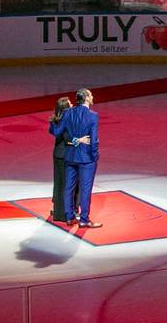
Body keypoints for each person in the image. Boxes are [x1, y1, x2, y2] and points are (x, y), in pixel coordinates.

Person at [50, 88, 102, 228]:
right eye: (90, 94)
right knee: (85, 189)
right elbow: (94, 140)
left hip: (70, 156)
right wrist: (94, 156)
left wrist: (54, 119)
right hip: (86, 158)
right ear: (85, 97)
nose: (92, 96)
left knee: (69, 187)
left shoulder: (67, 113)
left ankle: (69, 217)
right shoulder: (93, 116)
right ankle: (84, 219)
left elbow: (56, 132)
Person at [48, 96, 89, 223]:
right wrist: (82, 140)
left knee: (59, 183)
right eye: (70, 104)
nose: (72, 105)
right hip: (67, 155)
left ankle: (59, 210)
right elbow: (68, 139)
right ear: (65, 107)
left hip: (57, 154)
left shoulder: (55, 120)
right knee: (69, 184)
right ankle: (68, 212)